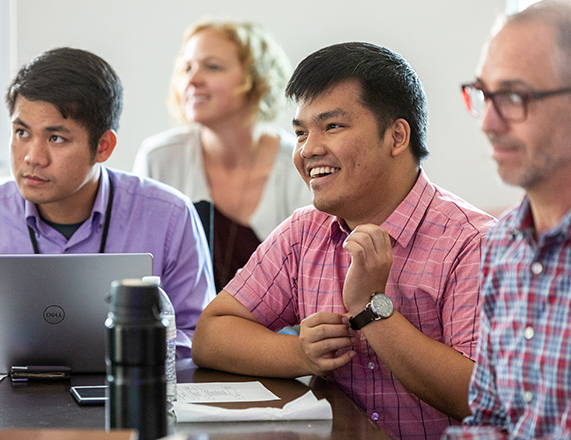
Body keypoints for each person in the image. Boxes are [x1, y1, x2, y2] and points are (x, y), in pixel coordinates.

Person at [191, 42, 495, 440]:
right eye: (301, 132)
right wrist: (300, 353)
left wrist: (372, 308)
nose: (308, 149)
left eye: (332, 126)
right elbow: (210, 335)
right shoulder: (305, 231)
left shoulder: (474, 242)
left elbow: (478, 395)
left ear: (397, 136)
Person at [0, 47, 215, 364]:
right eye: (21, 133)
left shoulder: (170, 216)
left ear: (103, 146)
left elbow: (198, 338)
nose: (32, 157)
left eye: (56, 138)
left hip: (126, 401)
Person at [458, 1, 571, 438]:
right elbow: (492, 421)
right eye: (484, 94)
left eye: (512, 96)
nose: (488, 121)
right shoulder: (503, 243)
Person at [133, 21, 310, 290]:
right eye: (187, 68)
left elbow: (310, 278)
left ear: (256, 79)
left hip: (277, 329)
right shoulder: (159, 159)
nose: (192, 80)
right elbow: (145, 271)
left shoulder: (299, 162)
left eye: (212, 67)